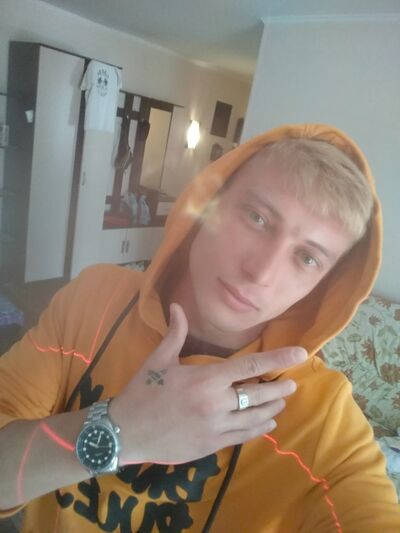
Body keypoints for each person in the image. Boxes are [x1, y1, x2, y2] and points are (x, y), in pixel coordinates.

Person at [0, 124, 399, 532]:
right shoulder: (94, 299)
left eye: (307, 258)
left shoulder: (322, 415)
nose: (261, 272)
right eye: (257, 218)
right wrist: (120, 431)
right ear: (209, 201)